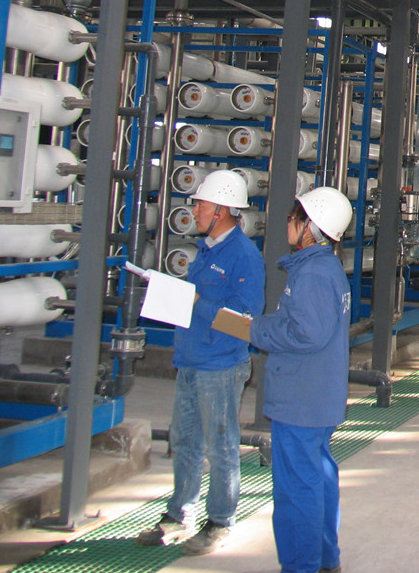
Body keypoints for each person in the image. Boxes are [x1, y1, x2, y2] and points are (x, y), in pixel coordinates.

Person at [137, 168, 265, 554]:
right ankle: (179, 514)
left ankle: (220, 520)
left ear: (222, 210)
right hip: (191, 359)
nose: (193, 211)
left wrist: (196, 302)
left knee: (220, 446)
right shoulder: (207, 249)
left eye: (201, 205)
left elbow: (244, 318)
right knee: (184, 441)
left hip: (220, 365)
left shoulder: (244, 256)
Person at [248, 186, 354, 573]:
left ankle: (301, 565)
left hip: (301, 398)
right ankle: (326, 559)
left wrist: (256, 330)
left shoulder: (311, 274)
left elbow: (306, 334)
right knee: (318, 477)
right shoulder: (325, 268)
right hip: (317, 396)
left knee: (296, 489)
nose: (288, 223)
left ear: (311, 227)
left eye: (295, 218)